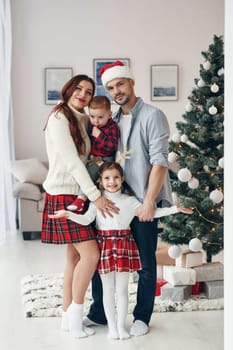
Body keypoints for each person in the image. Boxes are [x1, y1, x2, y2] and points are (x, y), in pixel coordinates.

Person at [49, 162, 193, 340]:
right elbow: (86, 220)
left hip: (125, 246)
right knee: (108, 290)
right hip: (105, 248)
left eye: (116, 177)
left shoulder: (129, 201)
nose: (112, 182)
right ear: (100, 181)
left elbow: (151, 212)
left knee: (122, 290)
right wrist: (68, 214)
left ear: (122, 179)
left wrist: (174, 208)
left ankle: (120, 327)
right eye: (107, 178)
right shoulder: (98, 201)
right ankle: (112, 329)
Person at [83, 60, 174, 337]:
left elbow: (159, 162)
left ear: (132, 82)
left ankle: (142, 317)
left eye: (120, 84)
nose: (116, 90)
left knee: (146, 263)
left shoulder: (153, 115)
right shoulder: (112, 119)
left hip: (141, 203)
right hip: (114, 202)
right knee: (103, 261)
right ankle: (99, 313)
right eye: (111, 87)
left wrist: (149, 201)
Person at [41, 75, 118, 339]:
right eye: (79, 88)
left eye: (88, 91)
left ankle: (67, 318)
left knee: (74, 258)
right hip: (65, 195)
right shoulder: (59, 118)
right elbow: (73, 163)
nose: (83, 94)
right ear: (69, 88)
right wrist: (96, 196)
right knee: (91, 255)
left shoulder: (82, 119)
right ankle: (75, 319)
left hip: (75, 195)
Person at [67, 95, 120, 212]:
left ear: (109, 115)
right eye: (92, 116)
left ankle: (81, 199)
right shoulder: (92, 125)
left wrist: (99, 136)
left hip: (105, 159)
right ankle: (86, 204)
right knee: (82, 175)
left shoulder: (112, 127)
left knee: (89, 175)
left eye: (100, 117)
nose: (96, 121)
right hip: (92, 158)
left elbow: (111, 147)